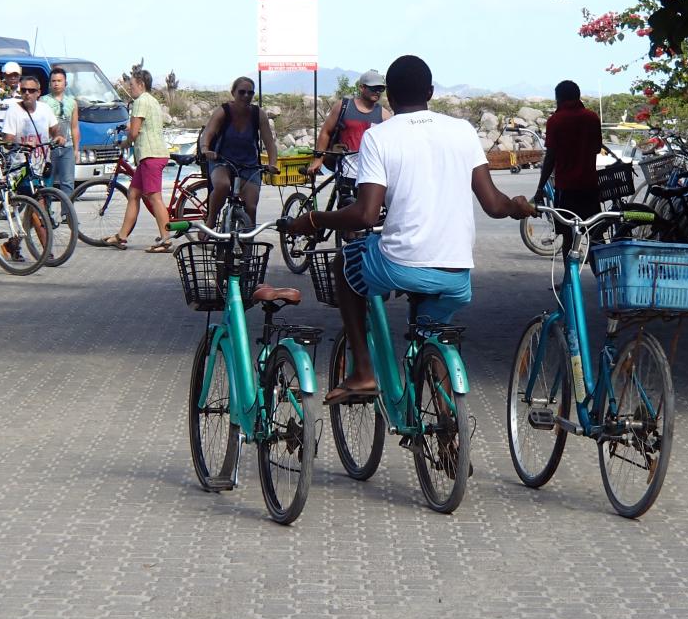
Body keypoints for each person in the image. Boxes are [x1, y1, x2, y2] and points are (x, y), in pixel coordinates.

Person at [285, 54, 535, 405]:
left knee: (344, 262)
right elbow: (494, 205)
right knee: (430, 332)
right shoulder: (462, 130)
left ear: (389, 97)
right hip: (456, 275)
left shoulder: (378, 137)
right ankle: (449, 429)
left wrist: (314, 219)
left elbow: (365, 215)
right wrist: (517, 206)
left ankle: (363, 372)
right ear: (430, 92)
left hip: (399, 265)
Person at [533, 80, 602, 264]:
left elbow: (551, 158)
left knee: (568, 239)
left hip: (566, 189)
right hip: (589, 187)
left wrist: (540, 187)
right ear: (578, 96)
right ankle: (602, 279)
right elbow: (596, 148)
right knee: (595, 236)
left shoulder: (555, 121)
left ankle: (569, 283)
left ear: (559, 98)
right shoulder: (592, 118)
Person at [103, 69, 173, 252]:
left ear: (141, 84)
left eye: (132, 85)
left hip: (151, 156)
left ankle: (166, 240)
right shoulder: (152, 101)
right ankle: (122, 236)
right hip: (151, 155)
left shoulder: (140, 101)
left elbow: (134, 133)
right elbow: (143, 126)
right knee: (134, 194)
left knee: (154, 197)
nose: (130, 88)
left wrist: (125, 143)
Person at [198, 77, 279, 228]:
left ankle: (247, 247)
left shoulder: (258, 114)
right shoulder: (223, 111)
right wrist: (205, 149)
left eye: (250, 93)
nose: (246, 96)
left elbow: (269, 142)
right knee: (222, 185)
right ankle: (211, 219)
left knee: (251, 207)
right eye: (241, 92)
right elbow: (208, 133)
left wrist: (273, 163)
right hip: (222, 161)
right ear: (233, 93)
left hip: (249, 165)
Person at [1, 76, 65, 261]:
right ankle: (47, 252)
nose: (27, 94)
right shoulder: (14, 111)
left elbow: (54, 129)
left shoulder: (45, 109)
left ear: (38, 93)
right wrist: (11, 144)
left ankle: (13, 244)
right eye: (23, 90)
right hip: (21, 167)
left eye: (31, 90)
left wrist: (59, 137)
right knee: (38, 208)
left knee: (32, 209)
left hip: (41, 166)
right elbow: (8, 137)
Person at [307, 70, 393, 187]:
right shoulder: (343, 107)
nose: (377, 92)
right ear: (362, 87)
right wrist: (318, 159)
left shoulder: (384, 115)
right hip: (345, 173)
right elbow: (326, 132)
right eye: (373, 88)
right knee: (345, 205)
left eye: (381, 89)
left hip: (371, 175)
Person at [41, 66, 80, 196]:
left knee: (68, 183)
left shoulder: (72, 103)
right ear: (50, 83)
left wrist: (76, 149)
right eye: (53, 81)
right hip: (49, 148)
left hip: (67, 148)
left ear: (65, 83)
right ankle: (46, 214)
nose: (56, 84)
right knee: (47, 182)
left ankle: (67, 215)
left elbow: (74, 127)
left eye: (59, 80)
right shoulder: (43, 101)